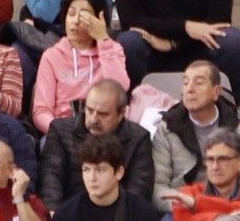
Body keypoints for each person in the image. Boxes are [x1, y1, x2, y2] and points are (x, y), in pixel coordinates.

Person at [151, 62, 240, 213]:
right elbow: (158, 187)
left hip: (231, 206)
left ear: (216, 92)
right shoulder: (168, 128)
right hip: (184, 207)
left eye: (198, 83)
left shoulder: (239, 128)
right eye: (185, 83)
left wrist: (229, 206)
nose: (189, 89)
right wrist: (185, 203)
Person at [40, 80, 155, 208]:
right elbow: (51, 177)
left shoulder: (138, 138)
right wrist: (53, 211)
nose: (93, 119)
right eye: (89, 110)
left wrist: (122, 219)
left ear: (122, 114)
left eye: (103, 114)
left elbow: (139, 188)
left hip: (117, 216)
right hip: (69, 213)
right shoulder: (60, 130)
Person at [31, 0, 128, 134]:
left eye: (83, 15)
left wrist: (103, 40)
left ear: (99, 20)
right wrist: (61, 132)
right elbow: (41, 111)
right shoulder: (52, 56)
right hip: (64, 130)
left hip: (105, 128)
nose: (75, 21)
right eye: (71, 14)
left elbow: (120, 88)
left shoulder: (112, 49)